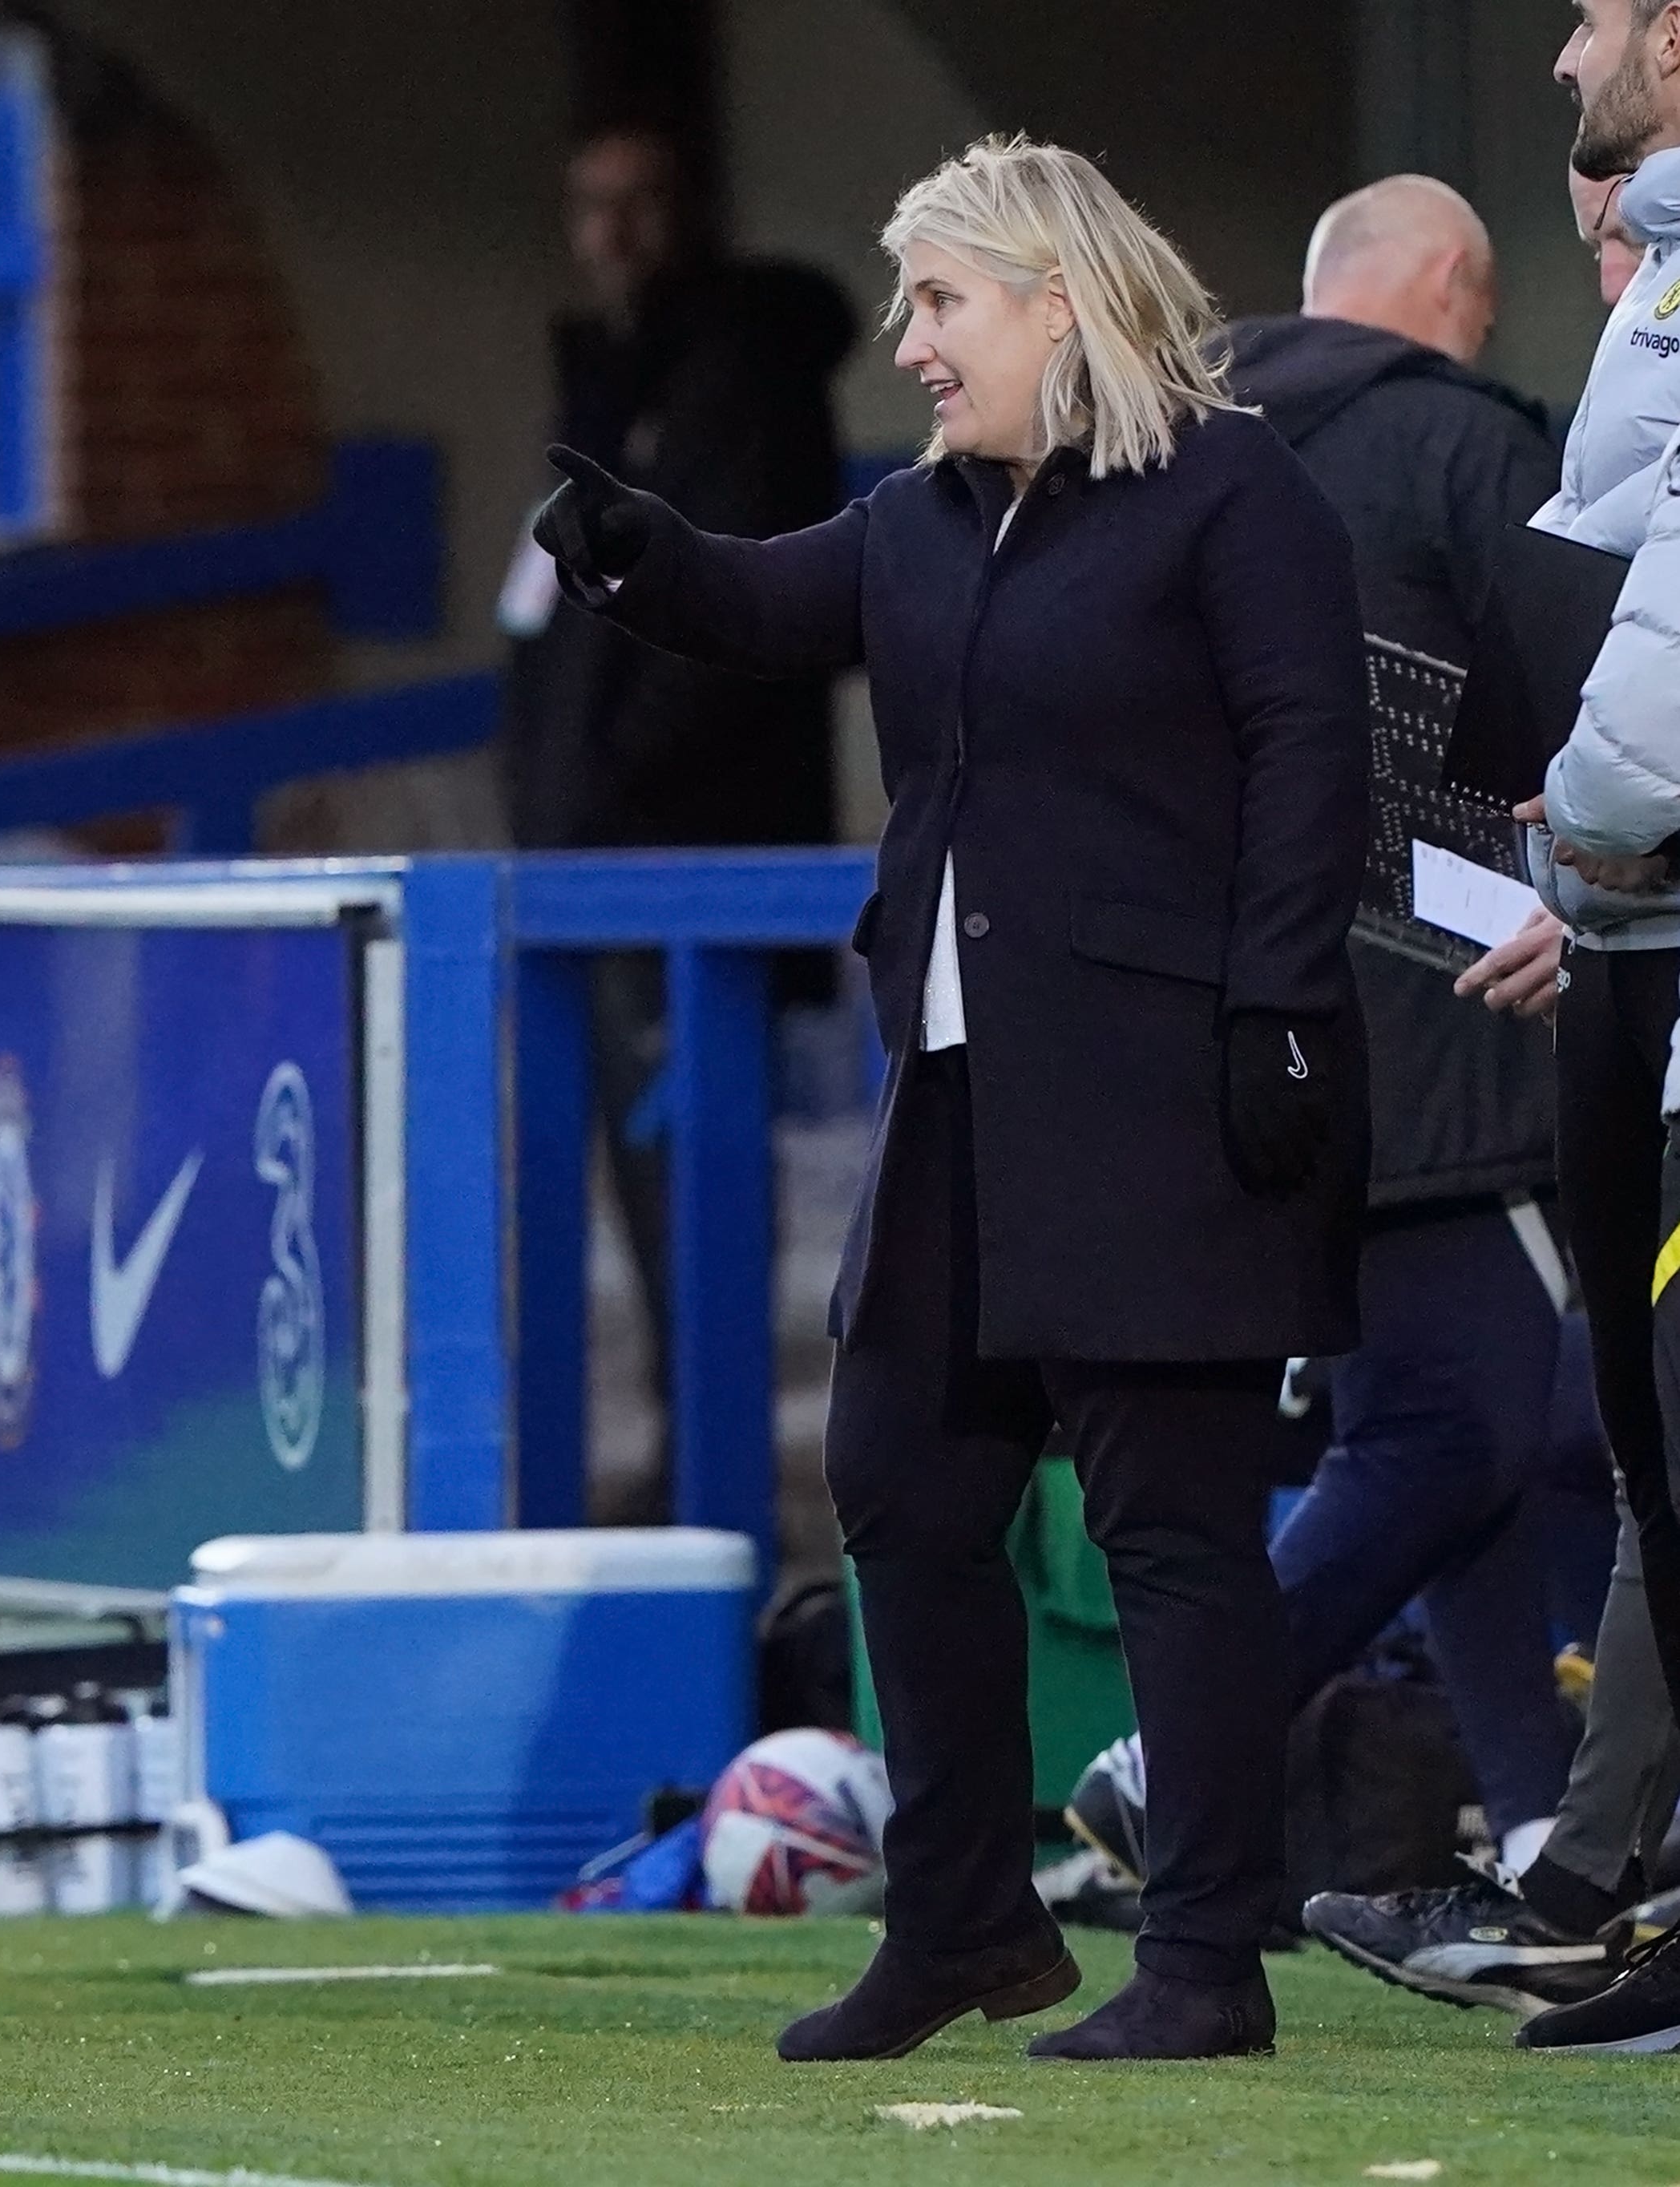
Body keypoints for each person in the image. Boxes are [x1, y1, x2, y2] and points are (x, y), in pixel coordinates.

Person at [537, 135, 1367, 2063]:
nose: (908, 342)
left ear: (1053, 300)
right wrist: (636, 553)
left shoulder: (1226, 494)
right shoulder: (919, 519)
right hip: (961, 1097)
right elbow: (759, 601)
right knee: (902, 1485)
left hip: (1170, 1095)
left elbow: (1307, 757)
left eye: (939, 302)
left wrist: (1276, 1015)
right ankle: (964, 1925)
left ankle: (1204, 1960)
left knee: (1172, 1529)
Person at [1065, 175, 1585, 1925]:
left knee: (1441, 1424)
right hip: (1465, 1020)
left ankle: (1540, 1833)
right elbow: (1592, 705)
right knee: (1476, 1425)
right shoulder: (1461, 441)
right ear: (1452, 290)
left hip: (1237, 1029)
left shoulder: (1162, 454)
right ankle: (1181, 1751)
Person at [1311, 3, 1680, 2045]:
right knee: (1588, 1433)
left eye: (1600, 17)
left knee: (1551, 1428)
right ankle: (1578, 1864)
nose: (1553, 48)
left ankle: (1578, 1864)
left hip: (1574, 960)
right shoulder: (1568, 397)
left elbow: (1633, 657)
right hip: (1582, 962)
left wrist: (1599, 835)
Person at [498, 124, 852, 1496]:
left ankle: (716, 1461)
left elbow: (732, 620)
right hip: (598, 848)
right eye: (593, 206)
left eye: (642, 203)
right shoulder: (603, 376)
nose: (616, 234)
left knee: (693, 1162)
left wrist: (608, 781)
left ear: (689, 211)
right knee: (636, 1170)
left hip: (686, 843)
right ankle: (686, 1437)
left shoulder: (739, 373)